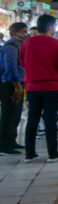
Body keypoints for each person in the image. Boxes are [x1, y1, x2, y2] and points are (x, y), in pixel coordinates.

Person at [20, 14, 58, 163]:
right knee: (50, 120)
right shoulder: (57, 44)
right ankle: (52, 153)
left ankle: (30, 153)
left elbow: (22, 62)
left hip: (32, 86)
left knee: (32, 119)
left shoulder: (27, 43)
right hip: (51, 86)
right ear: (50, 27)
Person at [0, 22, 27, 155]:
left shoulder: (18, 45)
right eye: (23, 31)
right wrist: (17, 87)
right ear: (14, 33)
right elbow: (10, 68)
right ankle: (4, 144)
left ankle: (11, 140)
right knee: (8, 113)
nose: (25, 34)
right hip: (10, 84)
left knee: (16, 114)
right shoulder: (11, 46)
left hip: (17, 83)